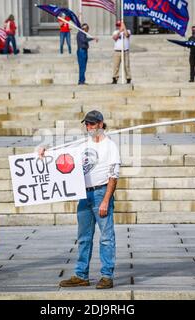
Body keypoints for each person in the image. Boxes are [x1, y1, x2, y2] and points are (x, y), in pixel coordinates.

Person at [39, 110, 121, 289]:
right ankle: (81, 274)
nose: (89, 127)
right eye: (87, 124)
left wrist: (106, 200)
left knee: (106, 237)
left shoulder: (110, 146)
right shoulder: (84, 144)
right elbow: (62, 155)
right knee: (84, 237)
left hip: (101, 193)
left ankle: (107, 276)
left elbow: (113, 177)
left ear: (100, 124)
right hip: (84, 195)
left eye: (92, 124)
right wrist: (45, 152)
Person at [112, 20, 132, 84]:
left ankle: (128, 78)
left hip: (125, 51)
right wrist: (119, 31)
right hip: (117, 51)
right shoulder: (115, 32)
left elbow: (127, 35)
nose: (118, 26)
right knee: (116, 66)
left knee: (126, 65)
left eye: (119, 25)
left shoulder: (128, 31)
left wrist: (124, 28)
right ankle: (115, 78)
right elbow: (115, 38)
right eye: (117, 25)